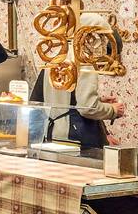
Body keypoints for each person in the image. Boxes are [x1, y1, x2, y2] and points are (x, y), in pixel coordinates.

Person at [46, 11, 126, 149]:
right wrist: (113, 110)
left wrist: (99, 101)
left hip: (53, 134)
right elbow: (87, 108)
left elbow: (63, 99)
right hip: (77, 137)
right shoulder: (83, 60)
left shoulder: (56, 55)